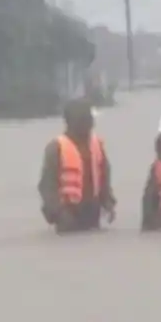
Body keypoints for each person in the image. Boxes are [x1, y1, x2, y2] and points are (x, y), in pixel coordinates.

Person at [38, 100, 116, 233]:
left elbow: (104, 177)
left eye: (91, 119)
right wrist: (59, 213)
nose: (92, 124)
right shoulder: (56, 148)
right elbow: (47, 186)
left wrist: (108, 203)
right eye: (88, 120)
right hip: (68, 215)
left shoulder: (96, 146)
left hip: (92, 214)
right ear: (74, 122)